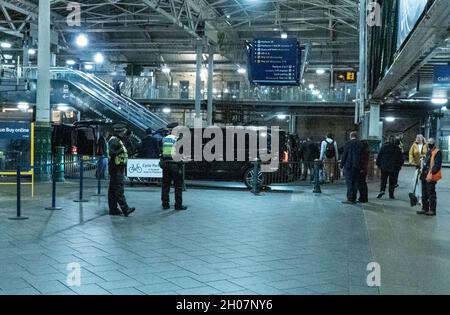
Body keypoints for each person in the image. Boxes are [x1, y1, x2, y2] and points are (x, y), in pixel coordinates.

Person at [108, 125, 135, 216]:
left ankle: (113, 209)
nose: (124, 133)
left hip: (117, 167)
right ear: (120, 132)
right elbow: (112, 153)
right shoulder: (114, 140)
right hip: (116, 168)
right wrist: (120, 150)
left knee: (112, 190)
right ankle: (125, 208)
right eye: (123, 132)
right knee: (119, 188)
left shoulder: (117, 140)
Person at [161, 123, 187, 211]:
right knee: (178, 186)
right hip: (175, 165)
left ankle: (165, 204)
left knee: (165, 185)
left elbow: (160, 151)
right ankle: (178, 205)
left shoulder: (164, 139)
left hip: (165, 164)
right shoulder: (179, 139)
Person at [417, 138, 442, 216]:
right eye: (428, 142)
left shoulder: (437, 152)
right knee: (424, 193)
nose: (428, 144)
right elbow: (426, 162)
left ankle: (432, 210)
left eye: (430, 142)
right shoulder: (428, 152)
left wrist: (431, 173)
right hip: (424, 174)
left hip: (431, 175)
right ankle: (424, 208)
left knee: (431, 193)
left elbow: (437, 165)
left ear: (433, 143)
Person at [340, 131, 361, 204]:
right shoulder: (360, 144)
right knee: (355, 183)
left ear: (350, 136)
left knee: (349, 183)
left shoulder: (347, 144)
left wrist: (341, 165)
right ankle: (354, 198)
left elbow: (344, 155)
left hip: (349, 166)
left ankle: (350, 199)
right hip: (357, 166)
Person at [409, 134, 428, 205]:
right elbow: (411, 153)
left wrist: (424, 156)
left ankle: (422, 198)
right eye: (417, 137)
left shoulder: (426, 145)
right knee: (415, 181)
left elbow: (429, 154)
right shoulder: (414, 145)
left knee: (421, 182)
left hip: (424, 166)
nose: (418, 139)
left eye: (419, 138)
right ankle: (417, 196)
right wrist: (411, 160)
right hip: (417, 166)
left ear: (422, 138)